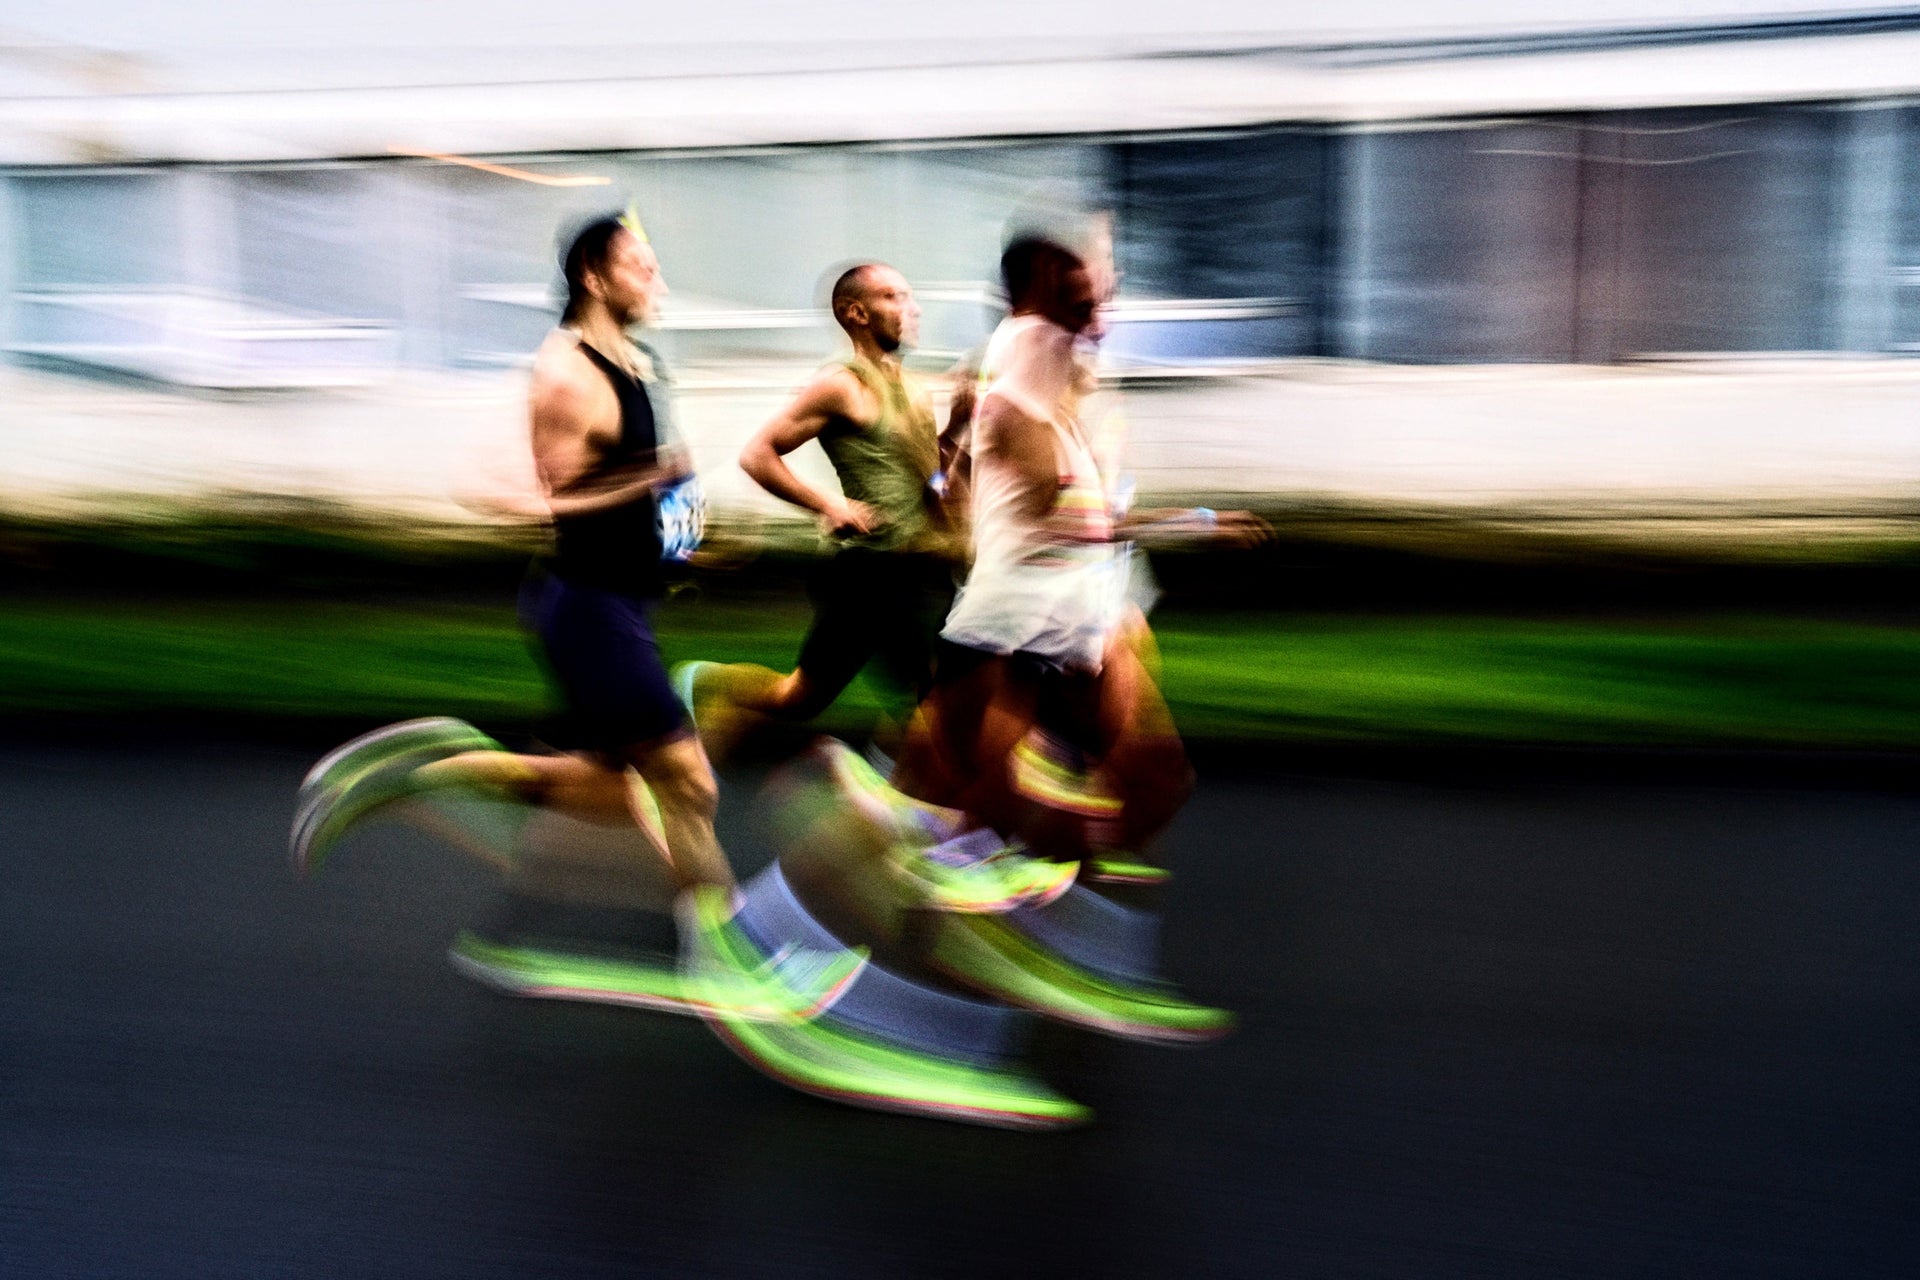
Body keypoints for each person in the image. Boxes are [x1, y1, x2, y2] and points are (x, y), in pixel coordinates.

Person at [291, 212, 865, 1021]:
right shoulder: (564, 371)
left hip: (620, 601)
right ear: (595, 277)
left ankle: (412, 776)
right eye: (640, 265)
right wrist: (647, 483)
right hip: (587, 611)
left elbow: (636, 489)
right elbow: (561, 500)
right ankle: (734, 957)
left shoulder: (636, 359)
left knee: (606, 787)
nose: (656, 279)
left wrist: (683, 545)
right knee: (688, 785)